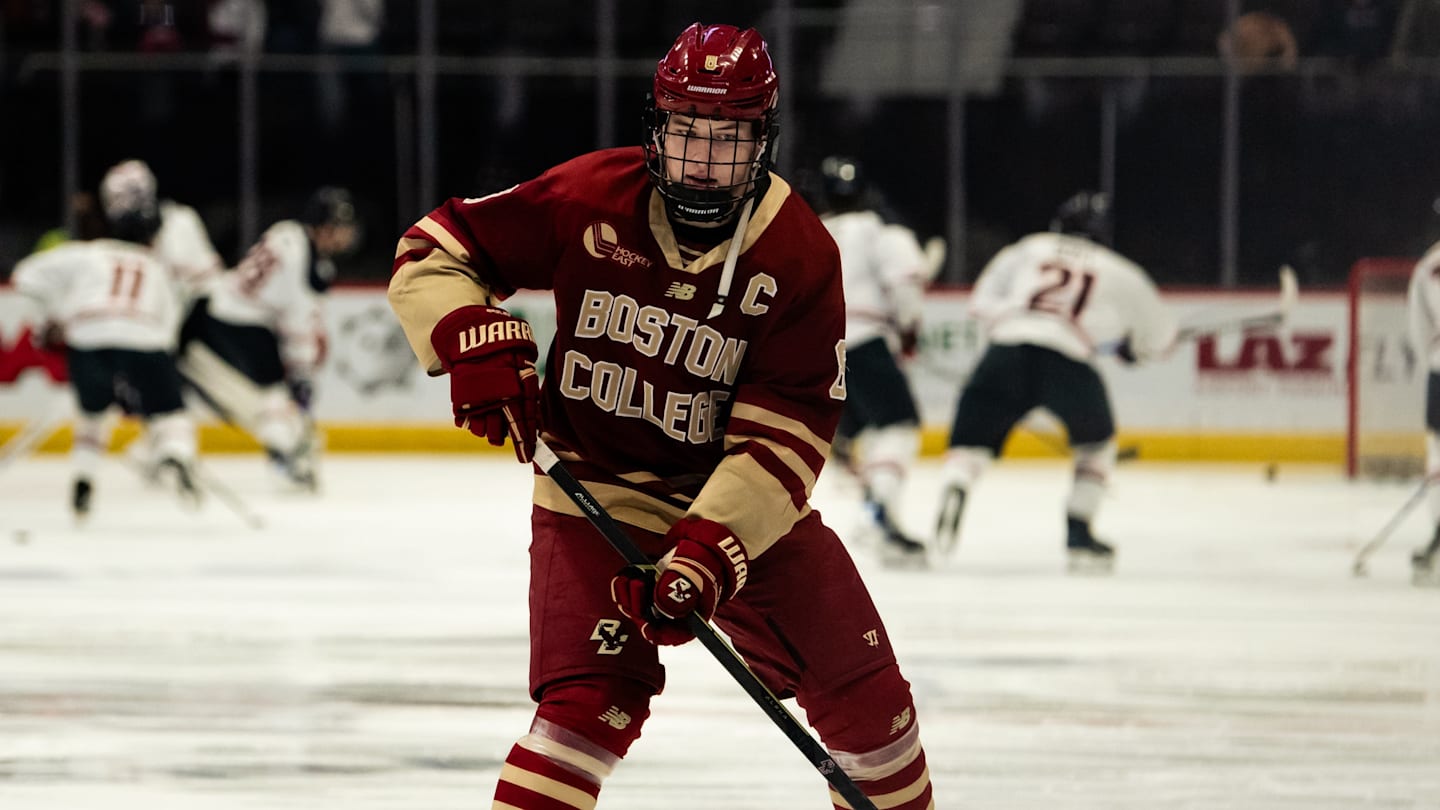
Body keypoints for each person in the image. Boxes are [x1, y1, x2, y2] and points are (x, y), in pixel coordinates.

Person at [387, 22, 936, 810]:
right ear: (657, 127)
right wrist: (464, 335)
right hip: (593, 489)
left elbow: (785, 435)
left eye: (729, 138)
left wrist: (708, 554)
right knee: (587, 711)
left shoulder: (799, 254)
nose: (705, 163)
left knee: (872, 708)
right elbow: (437, 247)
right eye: (687, 133)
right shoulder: (588, 196)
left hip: (732, 505)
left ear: (764, 140)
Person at [934, 190, 1177, 574]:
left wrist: (1012, 325)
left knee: (970, 443)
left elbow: (981, 301)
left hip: (1006, 350)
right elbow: (1160, 339)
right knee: (1097, 444)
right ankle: (1080, 535)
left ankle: (958, 485)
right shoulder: (1119, 270)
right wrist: (1136, 349)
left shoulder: (1030, 247)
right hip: (1067, 359)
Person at [11, 159, 200, 519]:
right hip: (146, 338)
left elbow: (25, 276)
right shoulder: (157, 267)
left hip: (89, 337)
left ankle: (84, 477)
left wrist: (57, 317)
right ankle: (176, 455)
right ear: (149, 236)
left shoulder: (88, 254)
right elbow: (169, 320)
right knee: (171, 412)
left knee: (92, 414)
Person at [178, 186, 359, 491]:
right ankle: (285, 458)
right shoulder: (311, 265)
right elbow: (298, 321)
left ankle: (162, 442)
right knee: (274, 398)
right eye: (340, 227)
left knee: (256, 397)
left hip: (218, 307)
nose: (346, 235)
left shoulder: (287, 232)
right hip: (242, 324)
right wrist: (302, 373)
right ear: (324, 228)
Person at [816, 155, 932, 568]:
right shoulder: (882, 231)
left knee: (854, 430)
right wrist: (908, 331)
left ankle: (857, 466)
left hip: (818, 347)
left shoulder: (811, 232)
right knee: (898, 425)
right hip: (864, 340)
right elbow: (904, 283)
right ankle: (879, 515)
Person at [1406, 231, 1440, 586]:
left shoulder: (1428, 265)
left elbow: (1418, 331)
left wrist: (1432, 359)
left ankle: (1439, 532)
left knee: (1437, 452)